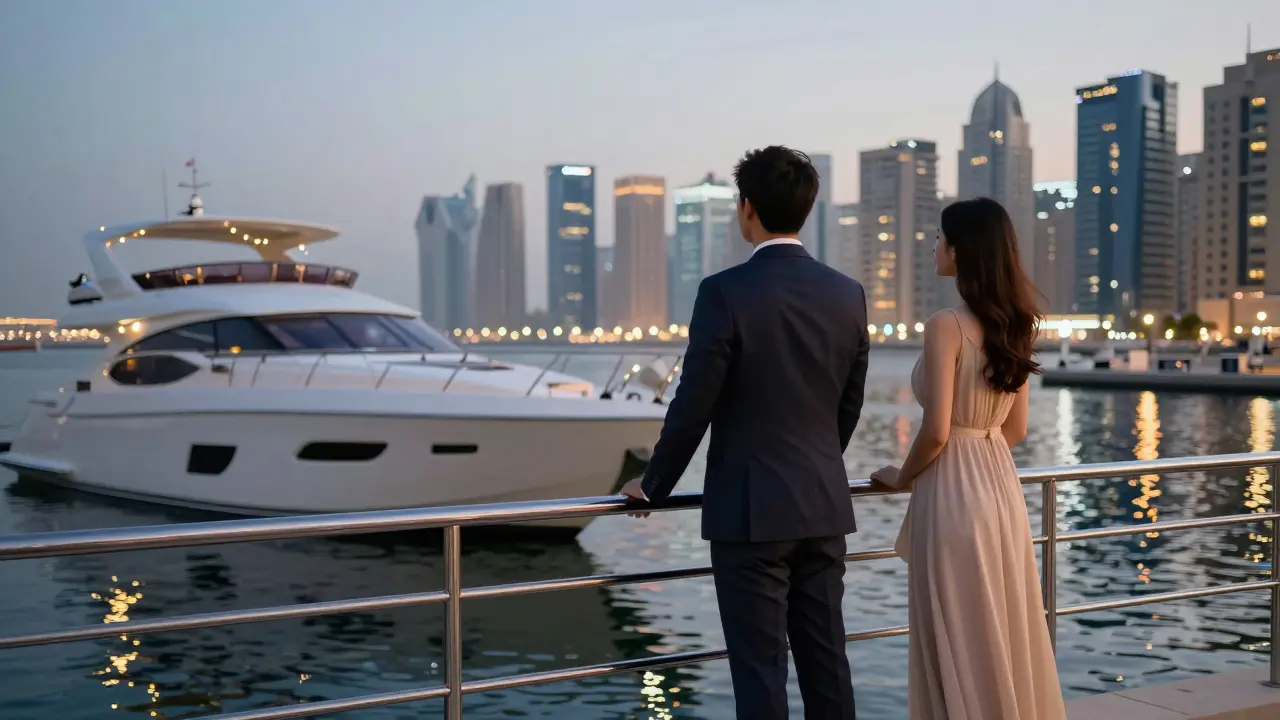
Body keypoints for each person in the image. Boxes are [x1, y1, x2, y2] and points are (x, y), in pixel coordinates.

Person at [620, 145, 868, 719]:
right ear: (806, 208)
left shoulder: (724, 291)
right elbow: (848, 404)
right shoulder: (847, 293)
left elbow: (693, 405)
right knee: (828, 665)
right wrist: (819, 464)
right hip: (823, 504)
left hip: (751, 513)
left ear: (747, 207)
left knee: (760, 675)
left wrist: (654, 484)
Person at [870, 197, 1067, 720]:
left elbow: (934, 431)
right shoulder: (1017, 324)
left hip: (952, 492)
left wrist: (900, 476)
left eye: (939, 237)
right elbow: (1016, 429)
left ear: (960, 250)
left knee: (953, 633)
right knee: (998, 629)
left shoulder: (946, 325)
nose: (934, 245)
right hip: (999, 488)